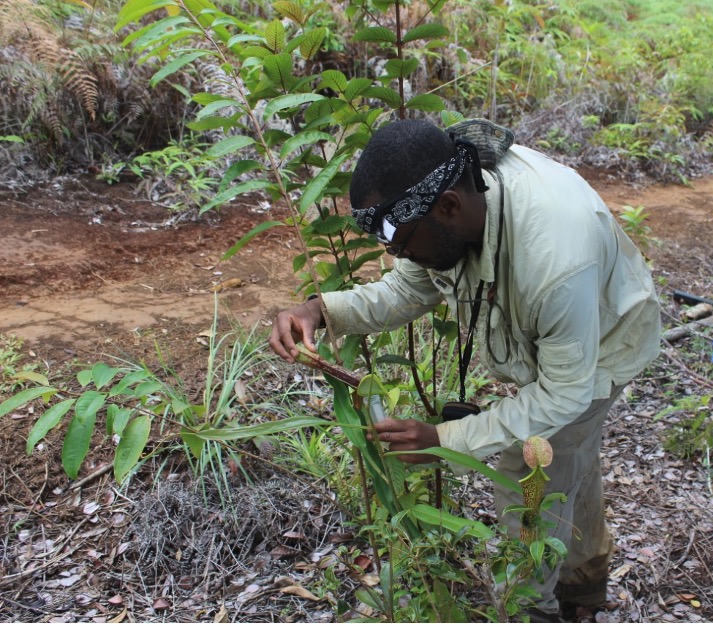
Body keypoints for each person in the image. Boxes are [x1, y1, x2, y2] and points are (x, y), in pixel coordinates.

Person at [269, 118, 661, 619]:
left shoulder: (554, 258)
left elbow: (564, 394)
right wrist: (321, 310)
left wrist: (445, 440)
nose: (396, 254)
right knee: (570, 458)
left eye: (400, 241)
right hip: (561, 335)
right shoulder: (451, 205)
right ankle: (584, 584)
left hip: (606, 340)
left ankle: (528, 609)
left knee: (530, 474)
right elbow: (408, 289)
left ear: (449, 207)